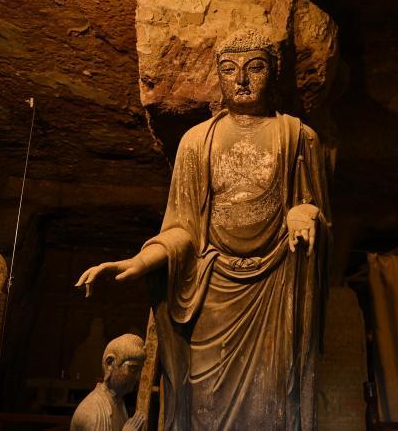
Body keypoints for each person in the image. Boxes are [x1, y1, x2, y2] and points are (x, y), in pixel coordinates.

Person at [75, 28, 332, 430]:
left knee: (272, 400)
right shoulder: (197, 141)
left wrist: (305, 212)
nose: (241, 80)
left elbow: (317, 214)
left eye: (255, 68)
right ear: (218, 75)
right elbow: (183, 229)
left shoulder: (299, 137)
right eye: (229, 69)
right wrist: (141, 261)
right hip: (211, 291)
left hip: (274, 287)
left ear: (274, 73)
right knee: (201, 403)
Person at [71, 334, 147, 431]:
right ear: (109, 363)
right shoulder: (93, 412)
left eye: (139, 371)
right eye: (133, 369)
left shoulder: (118, 402)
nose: (137, 378)